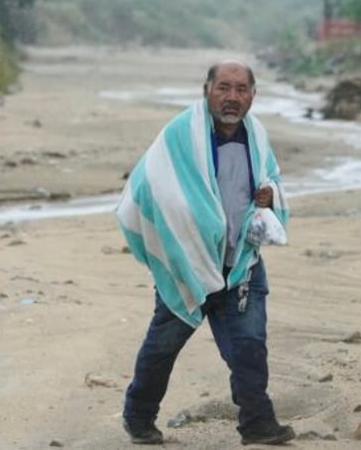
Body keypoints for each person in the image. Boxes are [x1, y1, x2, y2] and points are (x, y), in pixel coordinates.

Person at [116, 60, 294, 446]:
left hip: (240, 264)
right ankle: (138, 417)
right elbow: (147, 185)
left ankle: (257, 425)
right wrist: (185, 228)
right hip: (189, 264)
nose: (232, 97)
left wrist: (269, 196)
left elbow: (272, 182)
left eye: (241, 89)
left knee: (249, 346)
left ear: (252, 95)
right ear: (206, 90)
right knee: (162, 348)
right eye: (224, 87)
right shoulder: (181, 134)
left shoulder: (256, 136)